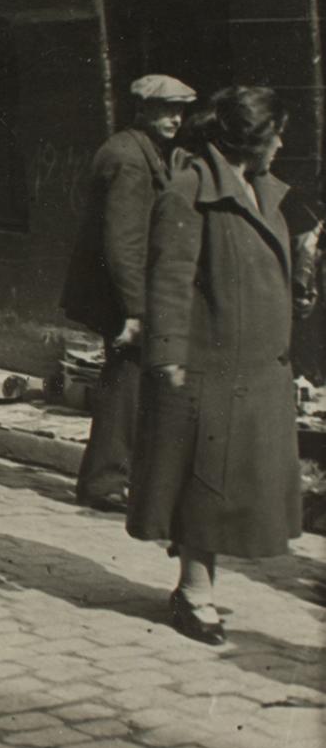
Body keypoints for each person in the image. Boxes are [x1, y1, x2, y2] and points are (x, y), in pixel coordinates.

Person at [128, 86, 298, 646]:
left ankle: (198, 587)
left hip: (255, 368)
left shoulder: (263, 190)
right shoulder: (190, 189)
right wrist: (169, 355)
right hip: (209, 364)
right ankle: (194, 593)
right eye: (277, 131)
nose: (282, 142)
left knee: (239, 486)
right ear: (254, 137)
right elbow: (169, 279)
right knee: (205, 484)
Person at [61, 73, 197, 511]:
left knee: (130, 381)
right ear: (142, 110)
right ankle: (104, 482)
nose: (175, 117)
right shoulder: (128, 158)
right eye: (165, 109)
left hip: (128, 293)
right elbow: (123, 244)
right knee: (125, 382)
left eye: (180, 109)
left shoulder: (146, 152)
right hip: (122, 295)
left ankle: (117, 475)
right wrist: (136, 312)